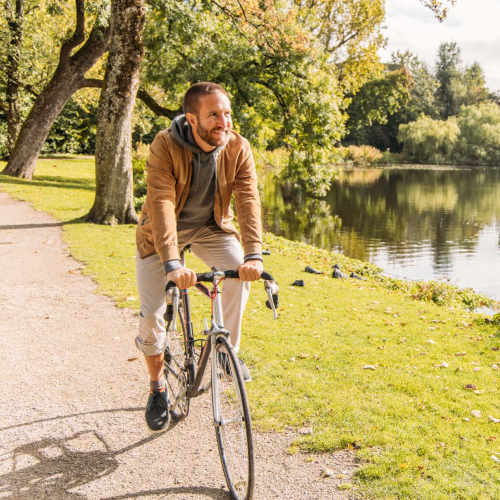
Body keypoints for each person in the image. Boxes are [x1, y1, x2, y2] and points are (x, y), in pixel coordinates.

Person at [135, 82, 263, 431]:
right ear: (192, 119)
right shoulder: (165, 144)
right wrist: (172, 263)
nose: (224, 122)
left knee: (238, 274)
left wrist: (254, 255)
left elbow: (247, 200)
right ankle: (157, 387)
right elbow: (161, 201)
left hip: (211, 229)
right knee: (152, 320)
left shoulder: (238, 147)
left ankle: (225, 352)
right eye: (214, 115)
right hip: (163, 236)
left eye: (227, 113)